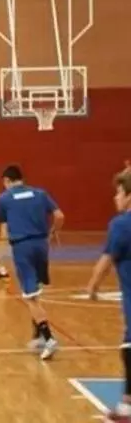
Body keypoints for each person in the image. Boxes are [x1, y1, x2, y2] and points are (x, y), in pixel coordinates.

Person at [0, 165, 63, 360]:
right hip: (41, 245)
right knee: (36, 290)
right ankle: (38, 336)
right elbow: (59, 216)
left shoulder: (4, 198)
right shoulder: (40, 193)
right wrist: (53, 232)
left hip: (22, 247)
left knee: (30, 297)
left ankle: (49, 338)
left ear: (7, 181)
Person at [86, 172, 131, 422]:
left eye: (119, 192)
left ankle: (126, 409)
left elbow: (106, 262)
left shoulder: (121, 225)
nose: (115, 197)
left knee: (129, 350)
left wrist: (92, 287)